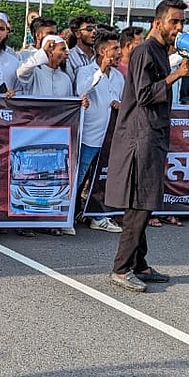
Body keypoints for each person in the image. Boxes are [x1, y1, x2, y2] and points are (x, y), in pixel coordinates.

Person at [104, 0, 189, 293]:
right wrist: (175, 76)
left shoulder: (159, 51)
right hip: (139, 137)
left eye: (182, 22)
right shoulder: (144, 51)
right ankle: (121, 268)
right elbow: (143, 94)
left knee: (145, 202)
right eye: (174, 22)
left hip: (151, 134)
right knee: (139, 204)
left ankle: (140, 264)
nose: (178, 27)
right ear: (158, 22)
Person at [76, 30, 124, 233]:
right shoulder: (85, 71)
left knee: (101, 179)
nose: (120, 53)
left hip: (110, 138)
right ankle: (68, 215)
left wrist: (118, 104)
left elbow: (121, 100)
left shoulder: (119, 76)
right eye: (115, 49)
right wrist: (100, 72)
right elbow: (81, 91)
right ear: (103, 51)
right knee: (79, 178)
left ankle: (97, 216)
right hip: (89, 136)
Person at [64, 14, 98, 85]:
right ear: (77, 34)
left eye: (95, 28)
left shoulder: (99, 56)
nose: (94, 31)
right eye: (89, 29)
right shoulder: (69, 57)